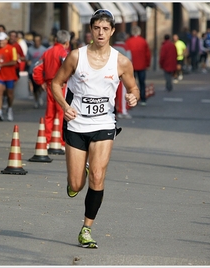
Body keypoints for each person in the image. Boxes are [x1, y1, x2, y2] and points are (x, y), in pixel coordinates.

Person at [50, 9, 140, 248]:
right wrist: (65, 106)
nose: (100, 33)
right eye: (96, 28)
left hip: (104, 124)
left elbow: (134, 88)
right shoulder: (75, 57)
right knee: (76, 185)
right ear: (91, 30)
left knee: (98, 176)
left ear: (111, 32)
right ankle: (79, 177)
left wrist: (133, 96)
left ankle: (86, 229)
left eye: (105, 29)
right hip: (77, 124)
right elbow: (56, 84)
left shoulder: (121, 61)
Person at [32, 30, 70, 152]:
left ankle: (47, 140)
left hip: (49, 84)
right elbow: (68, 69)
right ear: (67, 42)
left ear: (55, 40)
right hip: (62, 85)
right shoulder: (64, 53)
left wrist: (41, 81)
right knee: (61, 112)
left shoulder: (46, 52)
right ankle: (60, 141)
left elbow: (36, 68)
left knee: (49, 114)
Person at [0, 32, 18, 121]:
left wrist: (2, 64)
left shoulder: (12, 49)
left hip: (10, 75)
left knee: (10, 94)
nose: (0, 42)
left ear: (6, 40)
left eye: (2, 40)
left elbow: (14, 61)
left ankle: (9, 109)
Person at [125, 25, 151, 106]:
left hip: (131, 66)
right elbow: (148, 54)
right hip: (142, 65)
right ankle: (143, 99)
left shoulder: (128, 42)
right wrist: (147, 64)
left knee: (131, 84)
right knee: (142, 82)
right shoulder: (143, 41)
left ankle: (131, 100)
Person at [113, 32, 132, 119]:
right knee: (122, 92)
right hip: (122, 72)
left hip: (112, 72)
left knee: (114, 93)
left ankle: (115, 110)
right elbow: (128, 60)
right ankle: (122, 110)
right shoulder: (126, 47)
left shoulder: (112, 47)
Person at [26, 34, 47, 108]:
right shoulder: (30, 49)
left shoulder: (44, 49)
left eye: (38, 41)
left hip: (42, 71)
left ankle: (40, 96)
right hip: (32, 70)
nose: (36, 42)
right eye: (35, 41)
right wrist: (28, 61)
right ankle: (36, 100)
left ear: (40, 41)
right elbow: (27, 58)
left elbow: (46, 60)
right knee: (34, 88)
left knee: (40, 86)